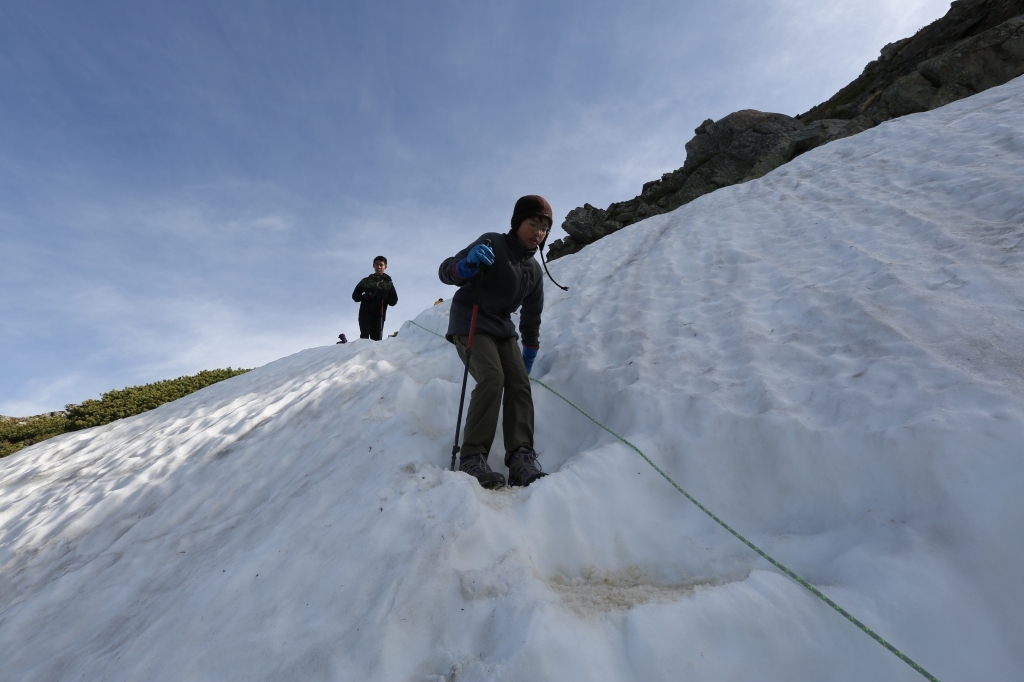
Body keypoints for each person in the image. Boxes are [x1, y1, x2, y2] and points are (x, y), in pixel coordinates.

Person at [438, 195, 554, 489]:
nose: (538, 232)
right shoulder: (492, 242)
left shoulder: (534, 272)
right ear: (517, 223)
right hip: (471, 320)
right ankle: (472, 457)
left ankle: (521, 458)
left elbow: (531, 315)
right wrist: (466, 265)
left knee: (518, 382)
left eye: (544, 228)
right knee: (492, 377)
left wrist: (529, 349)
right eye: (533, 223)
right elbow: (447, 270)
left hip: (503, 329)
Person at [351, 256, 398, 340]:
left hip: (379, 316)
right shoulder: (366, 281)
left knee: (376, 341)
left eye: (381, 265)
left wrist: (385, 298)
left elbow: (394, 300)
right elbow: (355, 296)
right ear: (373, 266)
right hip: (365, 315)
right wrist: (365, 297)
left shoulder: (388, 283)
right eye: (377, 264)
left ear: (385, 267)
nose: (379, 267)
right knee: (364, 338)